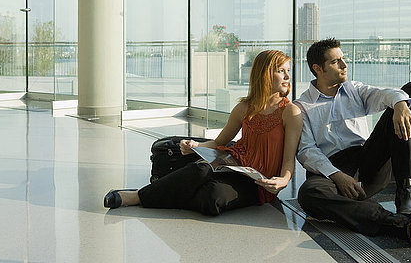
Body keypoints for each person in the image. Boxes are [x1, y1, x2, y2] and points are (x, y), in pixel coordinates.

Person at [104, 50, 303, 216]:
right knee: (201, 169)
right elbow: (219, 142)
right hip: (235, 165)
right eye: (280, 71)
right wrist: (195, 146)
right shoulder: (244, 108)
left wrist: (283, 180)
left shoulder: (290, 112)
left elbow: (288, 160)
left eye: (288, 71)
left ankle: (166, 190)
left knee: (213, 200)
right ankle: (138, 196)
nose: (287, 76)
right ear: (265, 74)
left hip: (261, 182)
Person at [295, 38, 411, 246]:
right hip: (331, 171)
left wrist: (401, 104)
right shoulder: (302, 106)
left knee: (396, 111)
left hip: (367, 162)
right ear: (318, 68)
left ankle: (406, 200)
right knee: (308, 195)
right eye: (335, 61)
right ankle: (394, 222)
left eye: (343, 59)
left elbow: (386, 94)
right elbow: (306, 151)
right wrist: (338, 176)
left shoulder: (354, 90)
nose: (344, 65)